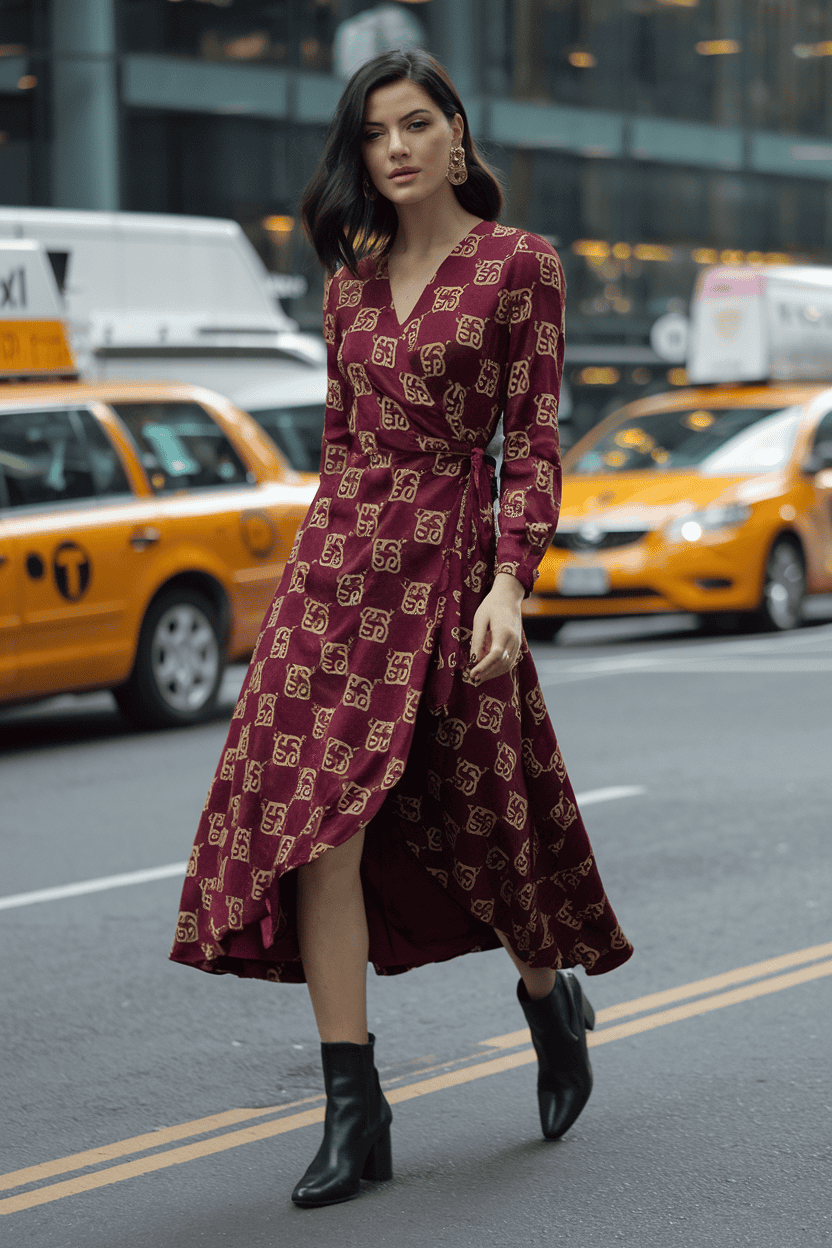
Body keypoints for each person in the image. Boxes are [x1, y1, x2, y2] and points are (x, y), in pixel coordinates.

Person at [170, 48, 633, 1209]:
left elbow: (529, 442)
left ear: (457, 135)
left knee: (482, 813)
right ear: (360, 156)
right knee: (319, 827)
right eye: (376, 133)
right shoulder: (346, 283)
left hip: (454, 561)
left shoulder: (521, 266)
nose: (396, 148)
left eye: (417, 123)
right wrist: (300, 595)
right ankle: (351, 1103)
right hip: (336, 574)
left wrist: (509, 585)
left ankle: (547, 994)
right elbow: (338, 447)